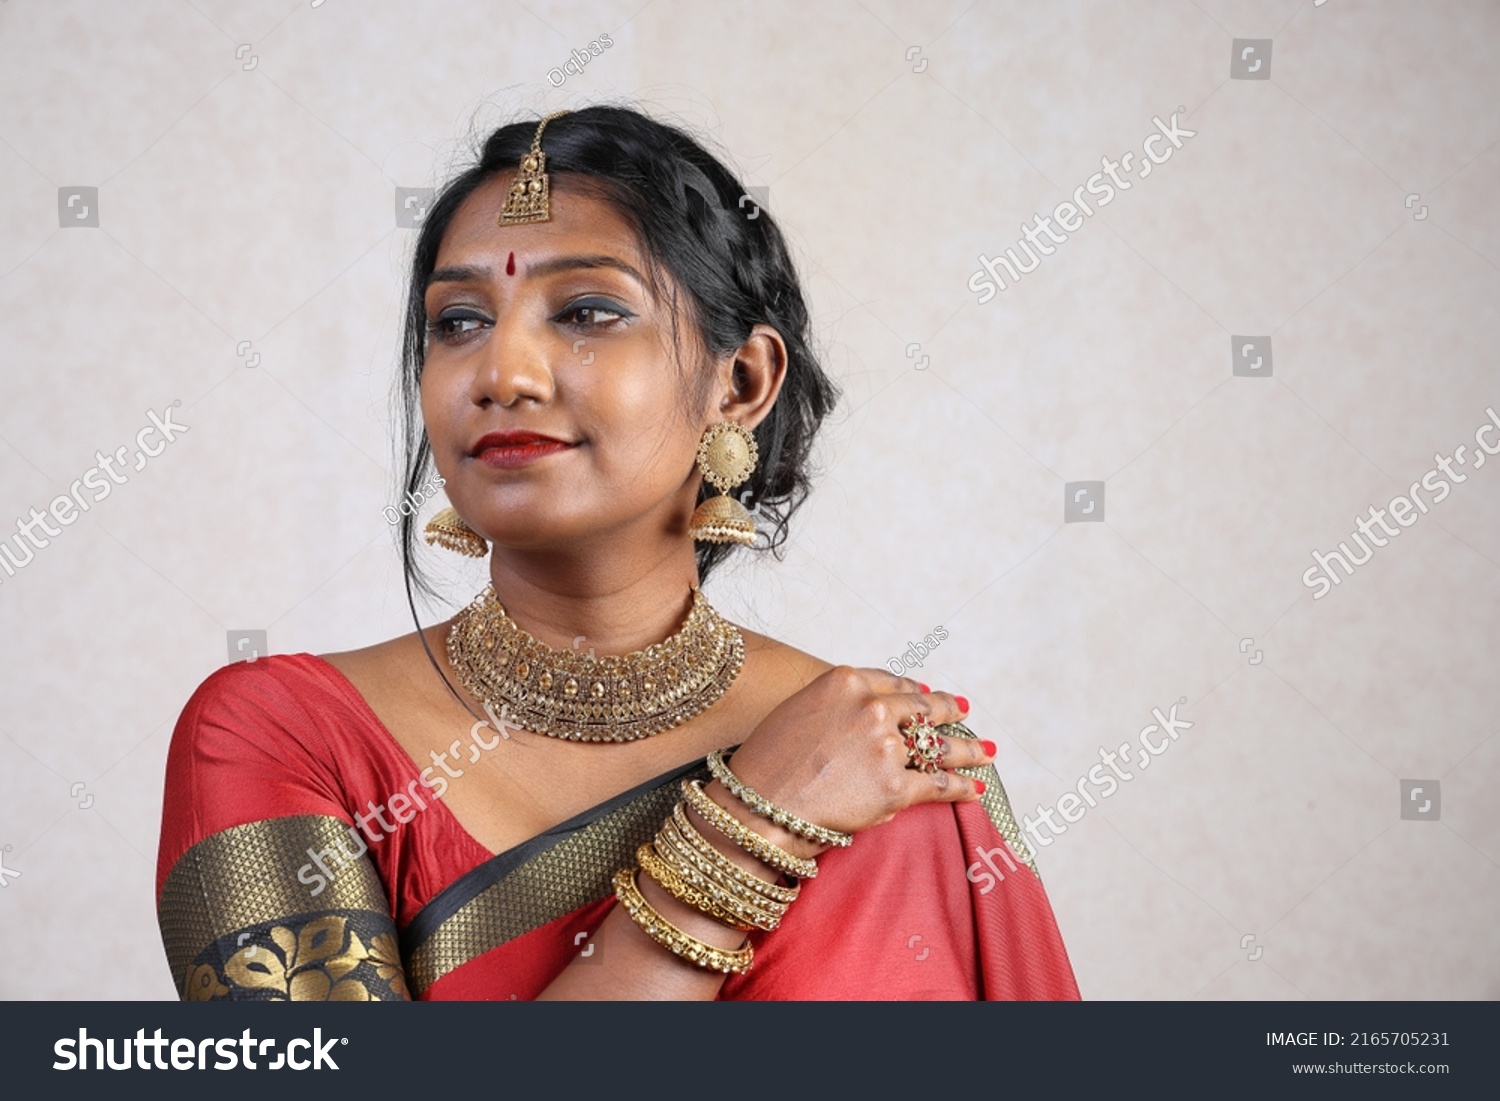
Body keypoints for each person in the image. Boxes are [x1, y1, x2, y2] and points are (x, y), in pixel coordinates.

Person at [154, 105, 1079, 1001]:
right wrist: (740, 834)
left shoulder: (894, 757)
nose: (502, 373)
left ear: (742, 380)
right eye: (459, 321)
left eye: (589, 311)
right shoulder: (280, 735)